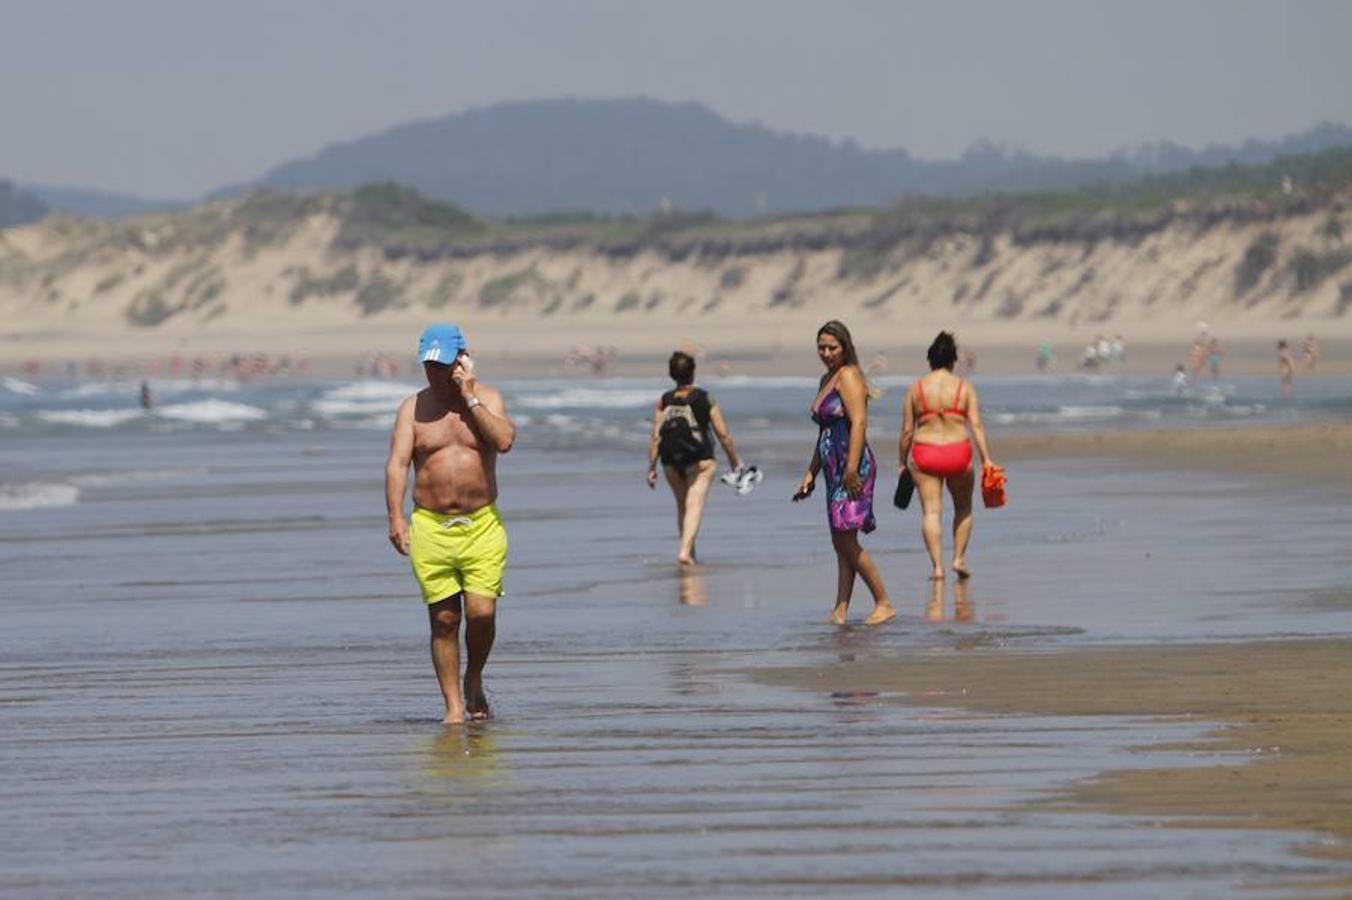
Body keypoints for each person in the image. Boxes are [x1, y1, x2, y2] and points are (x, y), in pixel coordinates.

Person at [386, 324, 516, 724]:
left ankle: (473, 678)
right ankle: (454, 707)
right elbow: (398, 464)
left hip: (481, 526)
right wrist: (395, 516)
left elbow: (505, 441)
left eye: (442, 365)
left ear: (462, 359)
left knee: (481, 614)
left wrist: (470, 396)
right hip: (430, 525)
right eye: (428, 364)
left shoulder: (488, 398)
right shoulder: (412, 408)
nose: (434, 373)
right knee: (444, 619)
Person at [793, 320, 895, 626]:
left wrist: (851, 470)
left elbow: (859, 423)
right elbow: (825, 431)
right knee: (841, 539)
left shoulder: (849, 376)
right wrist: (811, 472)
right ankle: (840, 610)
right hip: (832, 466)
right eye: (821, 347)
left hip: (852, 465)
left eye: (832, 347)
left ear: (845, 347)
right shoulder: (828, 377)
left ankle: (883, 602)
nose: (826, 353)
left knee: (846, 541)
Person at [898, 332, 997, 580]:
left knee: (932, 512)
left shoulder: (916, 388)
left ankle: (938, 569)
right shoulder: (964, 388)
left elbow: (908, 431)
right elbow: (976, 425)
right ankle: (959, 558)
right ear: (953, 361)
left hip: (925, 453)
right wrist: (986, 459)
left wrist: (902, 462)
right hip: (957, 452)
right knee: (963, 508)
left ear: (930, 360)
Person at [647, 350, 746, 565]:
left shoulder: (664, 400)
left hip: (670, 462)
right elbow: (723, 434)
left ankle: (690, 554)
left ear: (672, 374)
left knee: (682, 506)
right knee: (694, 503)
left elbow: (655, 436)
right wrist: (734, 462)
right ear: (692, 372)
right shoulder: (704, 398)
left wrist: (651, 468)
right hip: (700, 461)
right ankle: (684, 552)